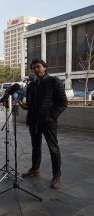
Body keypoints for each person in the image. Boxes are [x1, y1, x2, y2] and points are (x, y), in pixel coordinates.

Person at [20, 59, 67, 189]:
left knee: (53, 148)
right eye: (33, 68)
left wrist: (52, 116)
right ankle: (35, 169)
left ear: (45, 67)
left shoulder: (54, 81)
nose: (35, 69)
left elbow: (63, 103)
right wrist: (25, 106)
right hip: (33, 121)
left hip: (48, 122)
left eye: (38, 67)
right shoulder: (31, 85)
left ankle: (56, 176)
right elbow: (30, 104)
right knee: (36, 146)